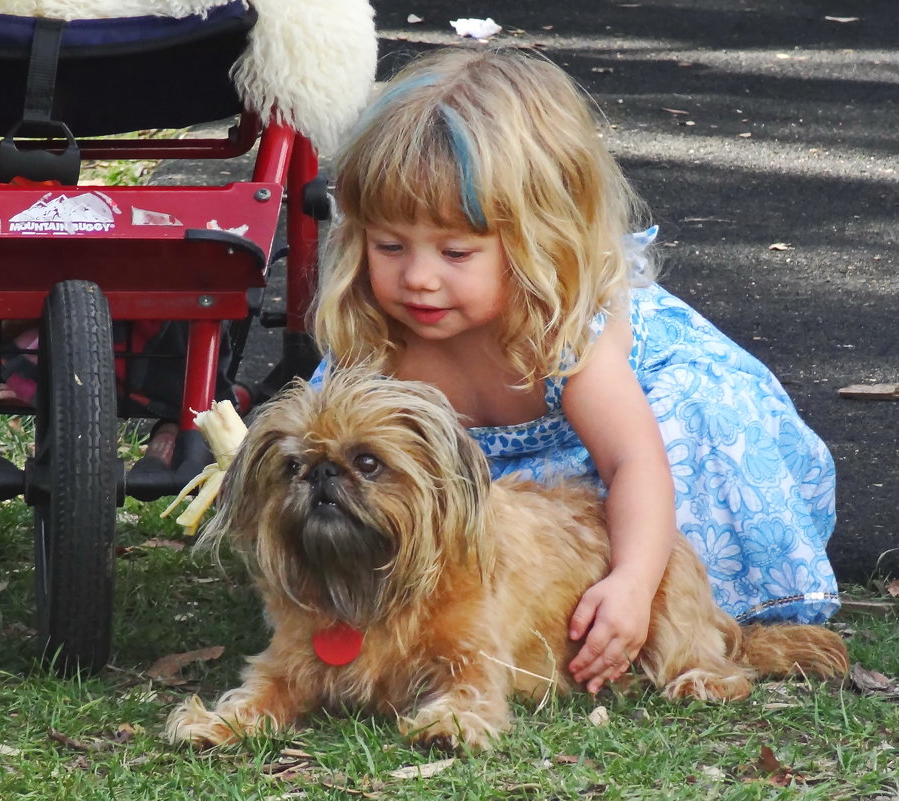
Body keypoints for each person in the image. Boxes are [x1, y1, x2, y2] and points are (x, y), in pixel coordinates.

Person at [309, 47, 840, 694]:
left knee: (687, 429)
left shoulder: (562, 328)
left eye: (455, 251)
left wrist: (634, 582)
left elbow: (632, 464)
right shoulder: (373, 336)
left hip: (652, 454)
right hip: (522, 503)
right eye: (388, 245)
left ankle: (709, 617)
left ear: (539, 241)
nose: (417, 277)